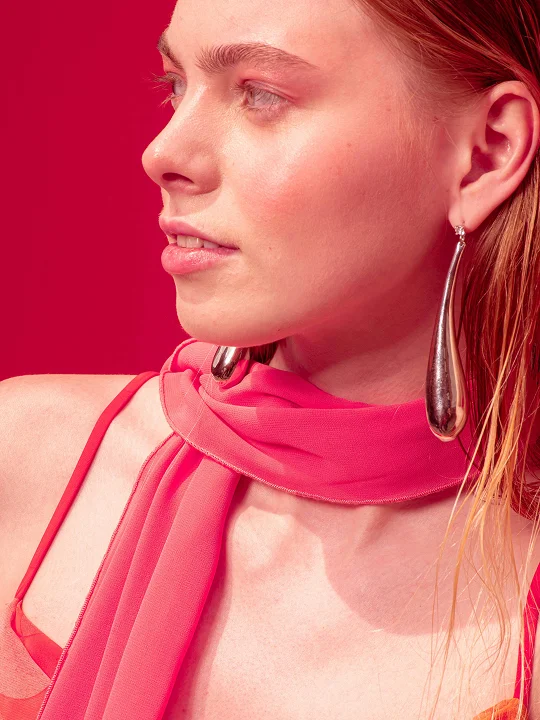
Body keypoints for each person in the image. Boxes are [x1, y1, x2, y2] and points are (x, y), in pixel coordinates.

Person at [1, 0, 540, 718]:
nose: (162, 154)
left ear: (488, 152)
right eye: (174, 85)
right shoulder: (26, 461)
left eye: (260, 94)